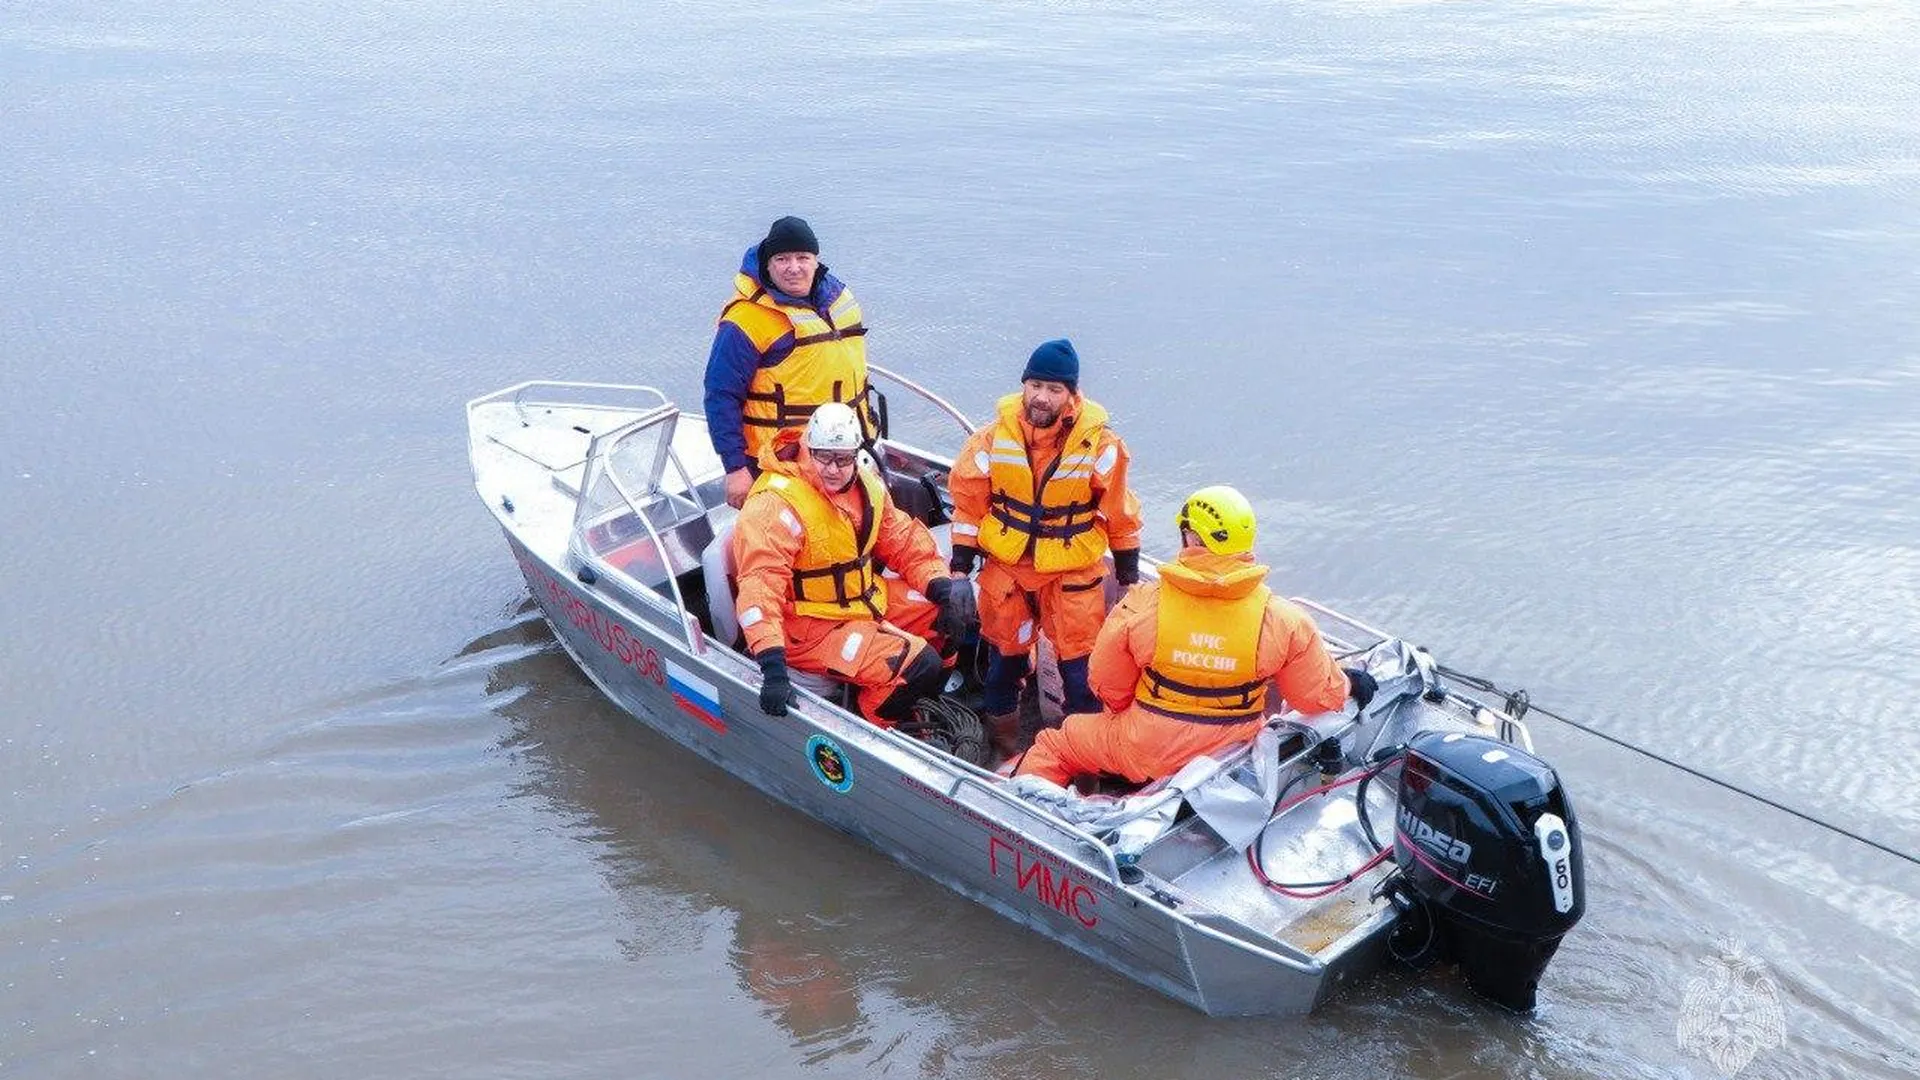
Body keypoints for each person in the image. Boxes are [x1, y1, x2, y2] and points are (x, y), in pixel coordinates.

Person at [1015, 485, 1378, 788]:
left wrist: (1139, 716)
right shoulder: (1283, 620)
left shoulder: (1144, 605)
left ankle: (1030, 820)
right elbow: (1317, 697)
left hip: (1142, 747)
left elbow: (1105, 683)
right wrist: (1350, 684)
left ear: (1189, 536)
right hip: (1232, 752)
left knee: (1056, 746)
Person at [946, 339, 1143, 757]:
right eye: (1035, 385)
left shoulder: (1102, 447)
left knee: (1081, 679)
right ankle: (1006, 751)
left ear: (1071, 396)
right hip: (1009, 573)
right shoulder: (990, 441)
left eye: (1054, 389)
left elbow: (1121, 516)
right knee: (1001, 671)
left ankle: (1081, 770)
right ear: (1023, 386)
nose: (1042, 396)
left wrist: (1127, 582)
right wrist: (960, 572)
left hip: (1071, 578)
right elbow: (967, 509)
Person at [733, 403, 976, 726]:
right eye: (823, 457)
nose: (833, 469)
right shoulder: (774, 506)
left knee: (951, 614)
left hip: (862, 601)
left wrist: (941, 586)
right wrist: (772, 666)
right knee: (918, 664)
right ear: (808, 448)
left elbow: (903, 542)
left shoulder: (867, 488)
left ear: (855, 454)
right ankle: (876, 721)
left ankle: (929, 697)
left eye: (843, 459)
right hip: (807, 629)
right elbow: (759, 591)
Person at [704, 215, 874, 510]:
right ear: (767, 265)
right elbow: (720, 396)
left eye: (802, 257)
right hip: (780, 462)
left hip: (843, 450)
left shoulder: (838, 299)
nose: (794, 268)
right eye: (782, 259)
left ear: (816, 260)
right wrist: (735, 469)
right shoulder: (745, 322)